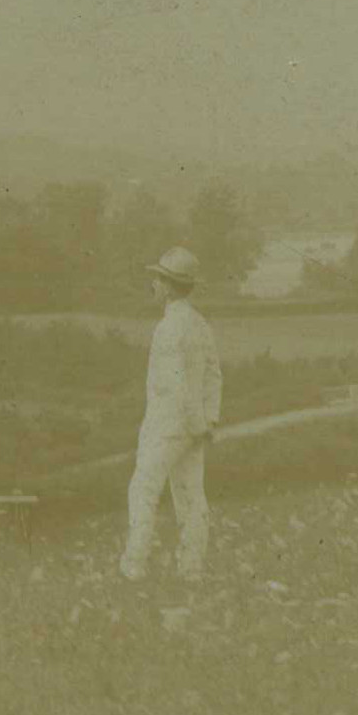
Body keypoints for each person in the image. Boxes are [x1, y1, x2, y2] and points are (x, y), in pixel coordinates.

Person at [120, 246, 223, 581]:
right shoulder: (199, 324)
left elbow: (176, 383)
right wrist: (208, 421)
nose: (153, 284)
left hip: (168, 424)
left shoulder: (168, 328)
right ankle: (191, 569)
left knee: (143, 489)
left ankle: (134, 565)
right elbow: (213, 375)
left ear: (166, 285)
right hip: (194, 427)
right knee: (191, 495)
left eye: (157, 279)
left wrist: (195, 422)